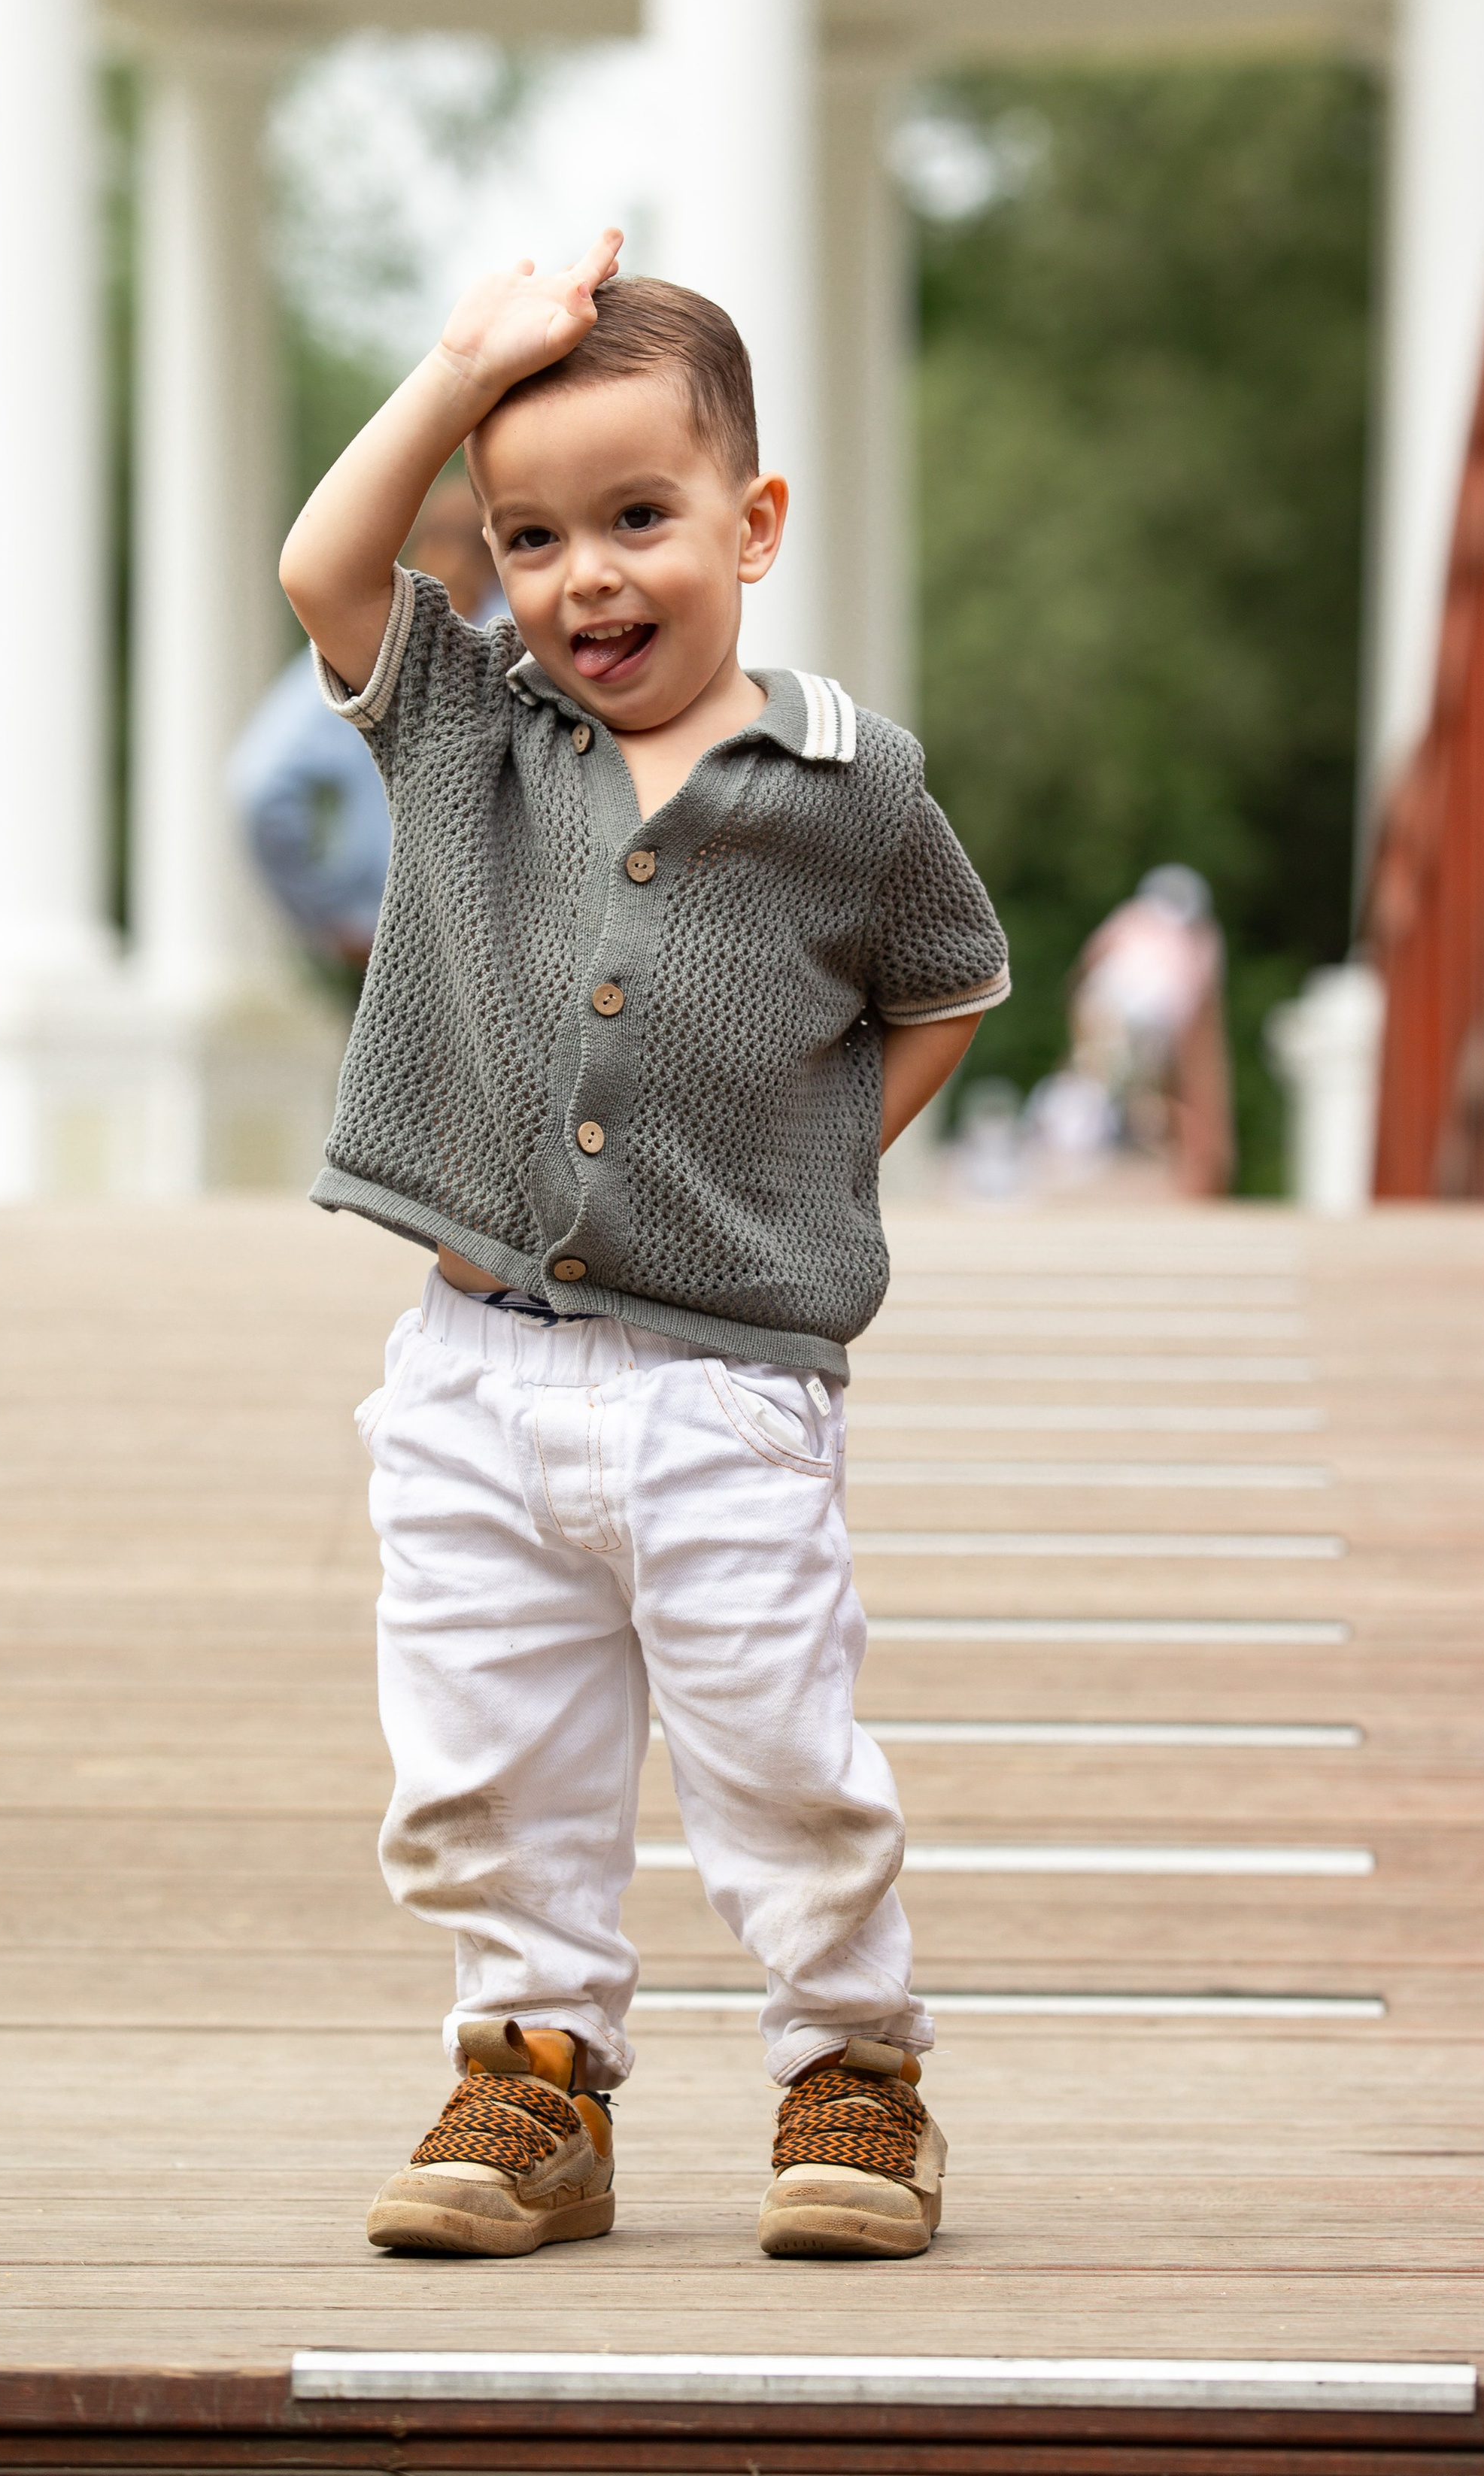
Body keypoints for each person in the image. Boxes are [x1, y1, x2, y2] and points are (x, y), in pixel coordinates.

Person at [278, 233, 1009, 2265]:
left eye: (636, 520)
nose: (584, 576)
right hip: (471, 1371)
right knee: (484, 1749)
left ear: (751, 524)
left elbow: (949, 982)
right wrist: (449, 372)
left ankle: (851, 2067)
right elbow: (324, 575)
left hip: (727, 1384)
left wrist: (803, 1172)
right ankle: (531, 2074)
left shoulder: (853, 789)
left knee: (780, 1747)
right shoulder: (467, 737)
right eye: (530, 536)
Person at [229, 482, 507, 966]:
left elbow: (257, 786)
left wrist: (337, 917)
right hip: (524, 946)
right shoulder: (541, 651)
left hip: (396, 945)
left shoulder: (360, 649)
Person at [1063, 863, 1234, 1197]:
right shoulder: (1198, 941)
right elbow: (1197, 1016)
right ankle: (1121, 1147)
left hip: (1107, 1007)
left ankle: (1096, 1149)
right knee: (1134, 1090)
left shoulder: (1134, 919)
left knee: (1101, 1081)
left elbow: (1088, 965)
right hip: (1142, 1019)